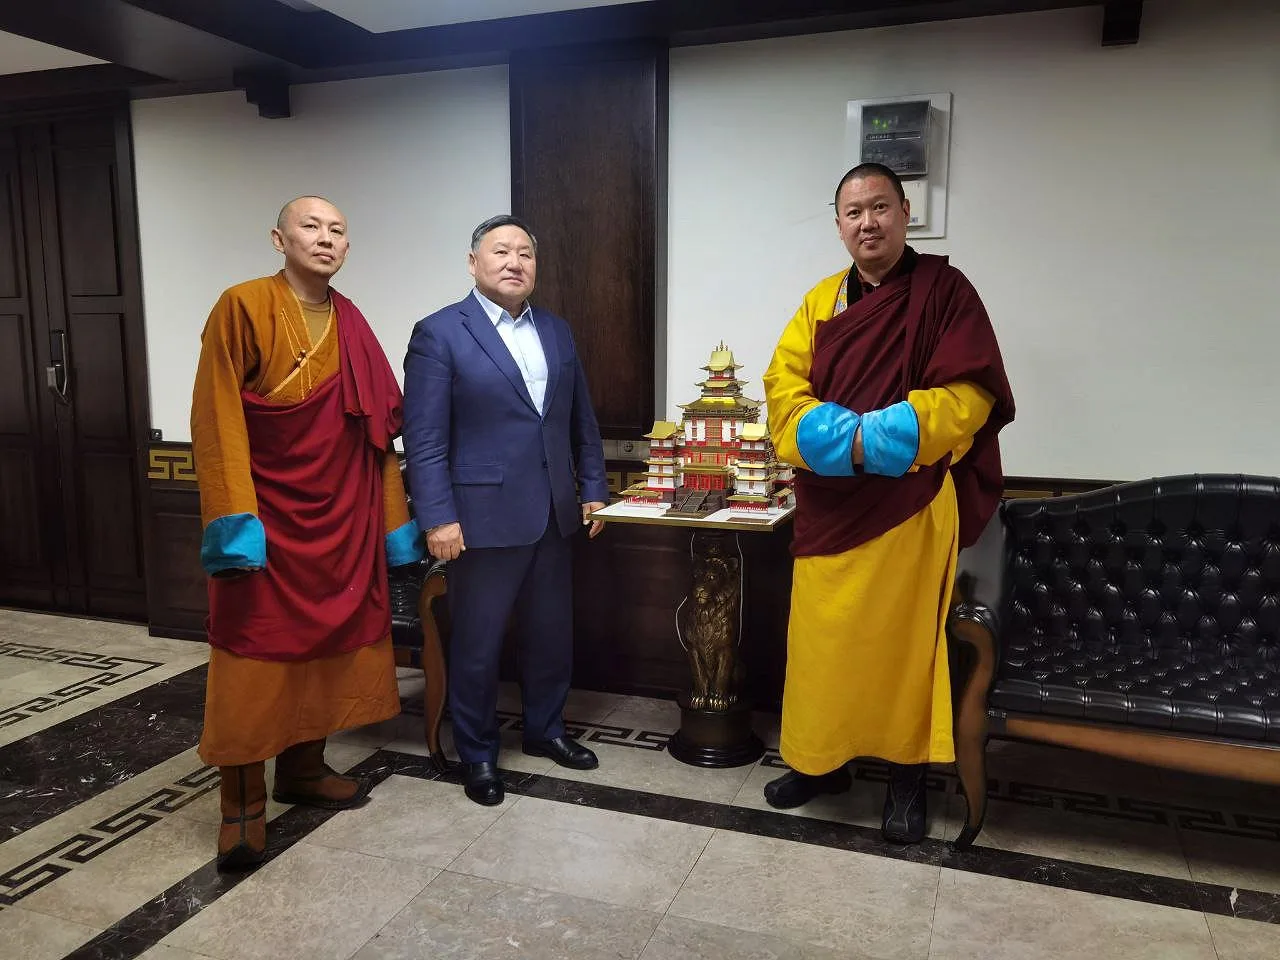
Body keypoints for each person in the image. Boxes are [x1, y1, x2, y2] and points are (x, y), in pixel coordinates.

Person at [762, 163, 1014, 843]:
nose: (867, 223)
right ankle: (819, 763)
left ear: (906, 212)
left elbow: (970, 396)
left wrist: (879, 437)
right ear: (838, 224)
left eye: (879, 207)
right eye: (853, 212)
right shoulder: (820, 301)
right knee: (821, 645)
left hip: (911, 501)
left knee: (906, 650)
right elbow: (783, 392)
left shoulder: (946, 294)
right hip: (831, 505)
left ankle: (907, 779)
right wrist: (840, 441)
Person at [191, 196, 423, 870]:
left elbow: (378, 431)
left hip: (340, 517)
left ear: (347, 246)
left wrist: (391, 521)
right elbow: (217, 415)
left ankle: (303, 770)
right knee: (252, 657)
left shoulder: (352, 320)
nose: (325, 238)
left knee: (325, 648)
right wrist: (234, 520)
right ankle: (240, 807)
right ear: (279, 238)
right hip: (266, 516)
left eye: (337, 229)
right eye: (311, 227)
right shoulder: (242, 305)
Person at [402, 214, 608, 806]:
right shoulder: (440, 333)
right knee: (478, 642)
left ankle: (546, 730)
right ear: (474, 263)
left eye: (525, 253)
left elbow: (580, 420)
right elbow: (425, 438)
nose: (514, 262)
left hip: (555, 513)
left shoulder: (558, 331)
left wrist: (593, 486)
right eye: (500, 251)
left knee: (551, 635)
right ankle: (478, 753)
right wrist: (437, 517)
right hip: (479, 518)